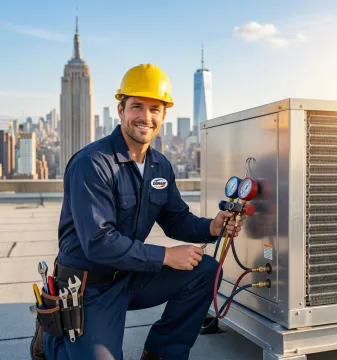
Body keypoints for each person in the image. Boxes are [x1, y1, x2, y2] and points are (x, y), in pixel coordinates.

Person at [31, 63, 244, 360]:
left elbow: (175, 218)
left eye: (155, 109)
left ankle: (161, 352)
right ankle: (52, 337)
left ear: (164, 116)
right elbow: (99, 242)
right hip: (88, 286)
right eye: (137, 107)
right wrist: (167, 256)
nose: (146, 117)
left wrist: (211, 227)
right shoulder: (92, 163)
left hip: (131, 275)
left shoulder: (159, 165)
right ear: (121, 111)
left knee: (205, 271)